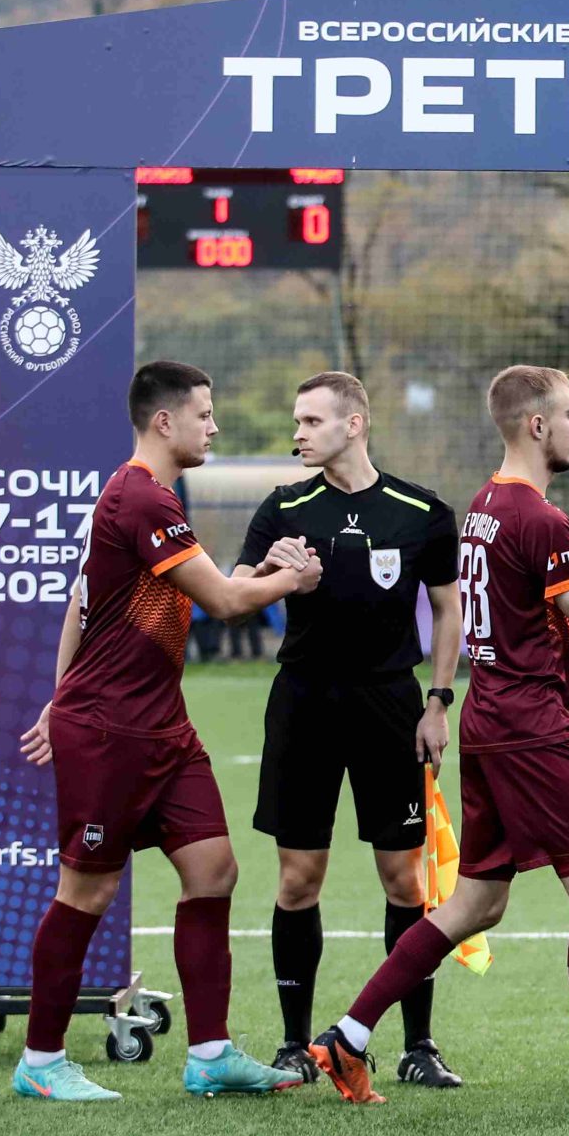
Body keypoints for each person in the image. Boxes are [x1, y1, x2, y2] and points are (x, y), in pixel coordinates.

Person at [307, 365, 569, 1114]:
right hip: (527, 730)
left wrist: (566, 702)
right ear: (537, 425)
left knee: (476, 902)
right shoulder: (538, 519)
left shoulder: (485, 506)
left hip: (494, 718)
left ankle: (347, 1033)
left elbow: (521, 620)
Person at [11, 360, 322, 1103]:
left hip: (162, 727)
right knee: (87, 889)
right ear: (164, 421)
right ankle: (40, 1061)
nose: (213, 427)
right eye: (204, 414)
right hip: (110, 731)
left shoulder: (150, 498)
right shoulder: (141, 496)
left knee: (213, 869)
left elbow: (84, 600)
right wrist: (292, 579)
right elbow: (224, 601)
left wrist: (58, 697)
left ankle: (209, 1054)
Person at [233, 372, 462, 1091]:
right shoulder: (284, 507)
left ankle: (418, 1044)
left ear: (354, 423)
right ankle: (293, 1043)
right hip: (303, 703)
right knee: (298, 878)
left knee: (404, 877)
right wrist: (273, 571)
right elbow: (237, 588)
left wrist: (438, 701)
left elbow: (448, 610)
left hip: (390, 704)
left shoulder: (421, 510)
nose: (297, 433)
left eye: (311, 420)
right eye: (297, 420)